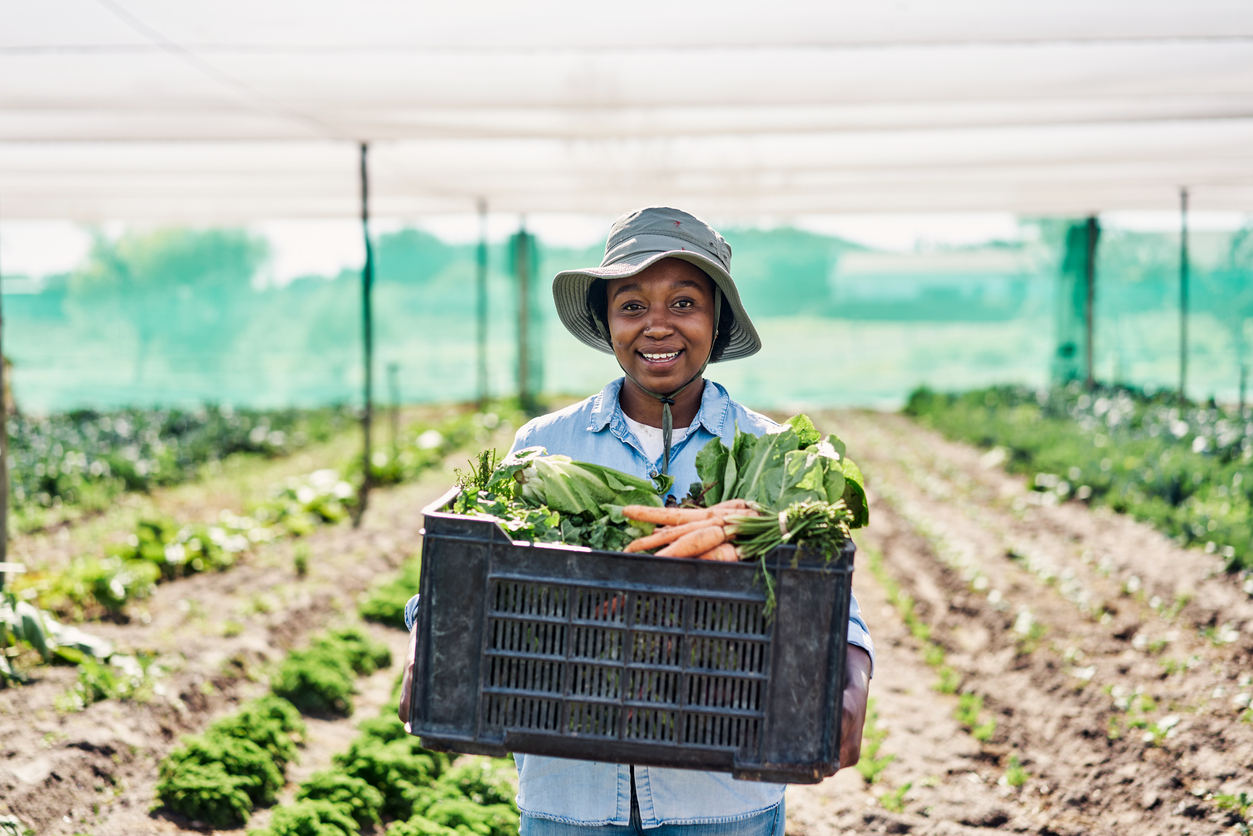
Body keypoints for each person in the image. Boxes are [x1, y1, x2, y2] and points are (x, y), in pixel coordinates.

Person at [400, 206, 873, 836]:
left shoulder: (775, 451)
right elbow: (474, 569)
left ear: (716, 320)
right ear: (606, 322)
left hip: (719, 791)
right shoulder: (546, 444)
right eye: (631, 306)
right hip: (570, 785)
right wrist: (425, 644)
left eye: (683, 303)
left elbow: (828, 595)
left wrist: (852, 678)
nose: (657, 327)